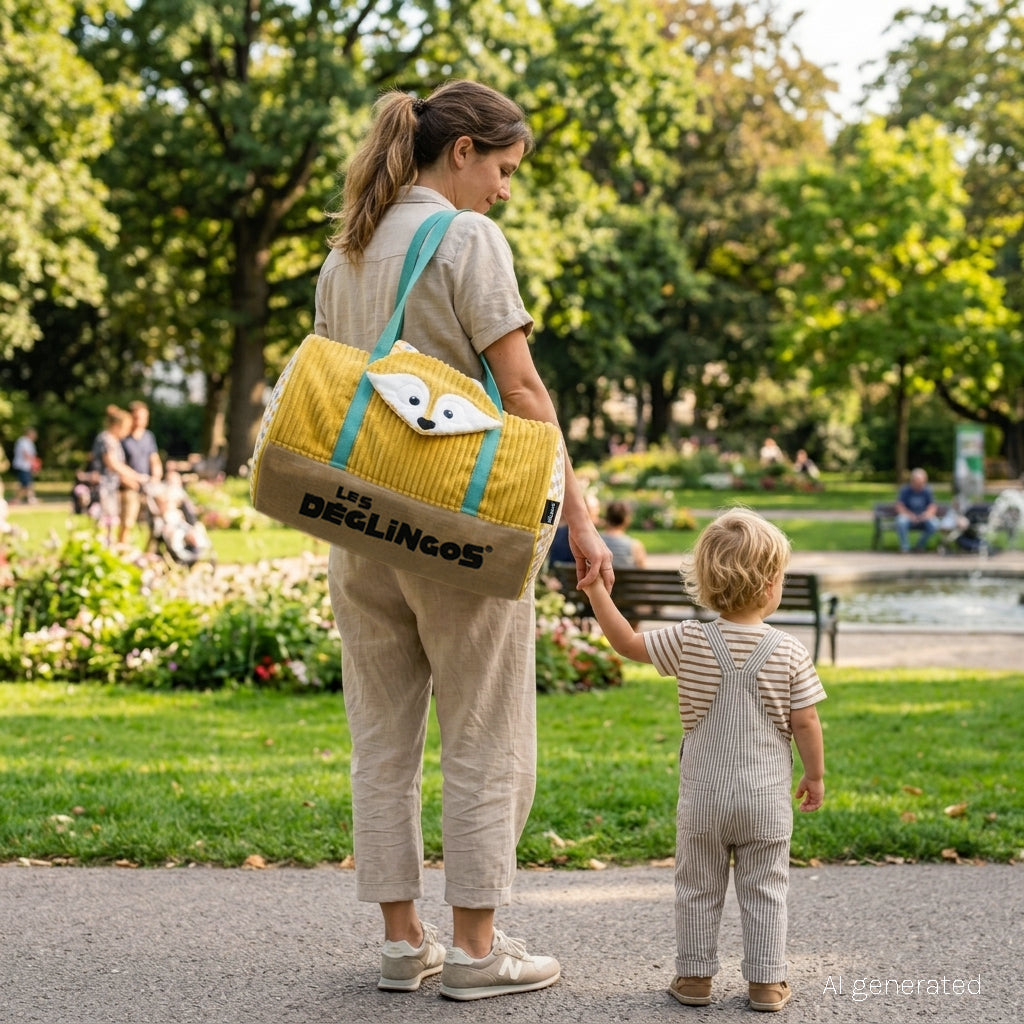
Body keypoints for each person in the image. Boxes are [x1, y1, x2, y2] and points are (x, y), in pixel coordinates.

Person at [313, 80, 613, 1000]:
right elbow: (522, 391)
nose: (505, 190)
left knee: (382, 736)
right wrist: (580, 510)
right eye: (505, 168)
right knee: (484, 732)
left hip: (359, 520)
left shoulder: (346, 251)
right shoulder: (466, 238)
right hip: (457, 525)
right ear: (463, 151)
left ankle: (406, 943)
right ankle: (479, 952)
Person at [580, 508, 826, 1013]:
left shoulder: (691, 639)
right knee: (766, 889)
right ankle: (767, 984)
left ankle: (693, 977)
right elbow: (806, 723)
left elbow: (627, 643)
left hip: (704, 800)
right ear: (772, 583)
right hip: (764, 802)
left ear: (708, 582)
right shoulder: (789, 651)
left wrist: (595, 591)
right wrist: (815, 774)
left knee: (697, 886)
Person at [91, 406, 145, 546]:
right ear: (116, 426)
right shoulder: (106, 439)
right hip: (103, 488)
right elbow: (112, 463)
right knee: (103, 523)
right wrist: (136, 476)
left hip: (110, 488)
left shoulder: (113, 440)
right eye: (126, 427)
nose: (127, 431)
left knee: (111, 523)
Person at [119, 400, 163, 545]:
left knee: (156, 522)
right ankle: (123, 552)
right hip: (129, 486)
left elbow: (154, 459)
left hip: (147, 485)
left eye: (144, 418)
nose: (141, 421)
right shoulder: (122, 437)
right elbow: (118, 464)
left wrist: (156, 475)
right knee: (128, 523)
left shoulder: (148, 436)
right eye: (138, 417)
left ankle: (147, 556)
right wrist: (130, 482)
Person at [895, 467, 940, 553]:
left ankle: (920, 546)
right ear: (912, 481)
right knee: (901, 521)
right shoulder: (905, 490)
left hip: (923, 517)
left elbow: (932, 506)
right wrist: (910, 515)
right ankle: (905, 547)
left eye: (921, 483)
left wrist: (926, 515)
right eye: (917, 482)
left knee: (935, 524)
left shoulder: (927, 490)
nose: (919, 485)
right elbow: (899, 506)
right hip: (908, 517)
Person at [600, 499, 647, 569]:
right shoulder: (635, 545)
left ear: (607, 518)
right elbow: (642, 571)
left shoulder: (595, 542)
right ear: (626, 520)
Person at [12, 428, 40, 504]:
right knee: (26, 484)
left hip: (27, 466)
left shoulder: (29, 442)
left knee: (28, 483)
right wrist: (34, 464)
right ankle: (16, 500)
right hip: (22, 466)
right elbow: (26, 454)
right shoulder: (23, 441)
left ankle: (31, 498)